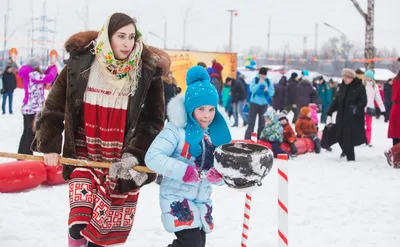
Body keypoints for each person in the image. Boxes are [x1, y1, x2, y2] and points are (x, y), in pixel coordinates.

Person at [31, 13, 170, 247]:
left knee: (100, 239)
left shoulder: (147, 73)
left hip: (120, 164)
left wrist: (134, 155)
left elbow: (153, 122)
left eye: (131, 37)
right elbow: (53, 107)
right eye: (121, 36)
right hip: (84, 156)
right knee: (79, 226)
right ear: (107, 36)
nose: (127, 43)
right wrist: (50, 144)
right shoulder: (80, 64)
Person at [145, 66, 232, 247]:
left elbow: (225, 170)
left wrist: (219, 176)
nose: (207, 115)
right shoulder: (175, 130)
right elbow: (153, 157)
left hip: (202, 199)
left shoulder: (214, 135)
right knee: (190, 244)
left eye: (211, 109)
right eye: (201, 109)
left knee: (197, 244)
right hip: (176, 196)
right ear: (191, 107)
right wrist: (184, 171)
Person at [17, 58, 57, 155]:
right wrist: (53, 67)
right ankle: (26, 156)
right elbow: (50, 77)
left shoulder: (29, 73)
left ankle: (22, 154)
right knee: (31, 133)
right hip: (33, 108)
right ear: (35, 66)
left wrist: (48, 68)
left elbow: (43, 76)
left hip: (28, 107)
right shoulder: (32, 74)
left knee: (27, 132)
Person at [327, 69, 367, 161]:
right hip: (341, 115)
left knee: (349, 137)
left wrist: (356, 107)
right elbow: (337, 100)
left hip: (353, 117)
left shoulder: (359, 87)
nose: (345, 79)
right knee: (339, 135)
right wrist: (330, 111)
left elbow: (363, 101)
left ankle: (351, 158)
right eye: (344, 77)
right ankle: (345, 151)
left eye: (348, 77)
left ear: (352, 78)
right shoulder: (342, 86)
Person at [244, 67, 275, 139]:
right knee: (251, 122)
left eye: (264, 75)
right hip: (254, 103)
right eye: (261, 74)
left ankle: (260, 138)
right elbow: (252, 89)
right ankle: (248, 138)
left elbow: (272, 92)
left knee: (262, 123)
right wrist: (258, 84)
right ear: (259, 73)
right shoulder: (255, 79)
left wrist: (266, 90)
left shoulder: (268, 81)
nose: (262, 76)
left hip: (264, 104)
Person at [363, 70, 385, 146]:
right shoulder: (362, 84)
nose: (367, 78)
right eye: (366, 76)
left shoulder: (374, 86)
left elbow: (378, 97)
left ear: (371, 77)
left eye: (368, 76)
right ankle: (360, 139)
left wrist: (382, 107)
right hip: (361, 108)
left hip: (370, 108)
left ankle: (368, 140)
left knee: (369, 125)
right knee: (359, 125)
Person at [385, 60, 400, 167]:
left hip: (395, 108)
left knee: (396, 136)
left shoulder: (395, 79)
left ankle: (396, 162)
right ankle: (391, 151)